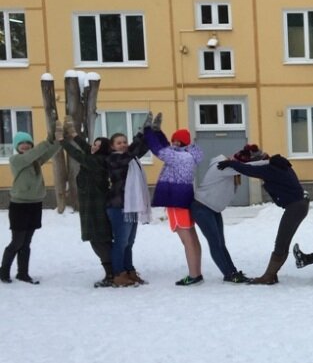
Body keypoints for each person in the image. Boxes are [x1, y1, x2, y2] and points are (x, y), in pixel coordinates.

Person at [217, 153, 309, 285]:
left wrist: (231, 164)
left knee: (281, 242)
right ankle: (272, 274)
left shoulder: (272, 169)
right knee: (284, 242)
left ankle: (268, 276)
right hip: (299, 205)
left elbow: (249, 170)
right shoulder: (282, 166)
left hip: (295, 207)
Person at [191, 144, 269, 284]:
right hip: (202, 208)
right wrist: (269, 161)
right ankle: (229, 274)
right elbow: (251, 168)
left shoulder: (229, 166)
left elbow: (249, 165)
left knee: (221, 243)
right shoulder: (223, 166)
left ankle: (231, 272)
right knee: (216, 243)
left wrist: (263, 158)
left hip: (213, 209)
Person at [143, 115, 205, 286]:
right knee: (192, 237)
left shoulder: (180, 157)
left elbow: (158, 149)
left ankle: (194, 275)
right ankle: (196, 272)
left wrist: (148, 130)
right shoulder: (188, 154)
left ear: (184, 143)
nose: (174, 144)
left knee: (187, 239)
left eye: (178, 141)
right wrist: (158, 131)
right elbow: (166, 147)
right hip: (183, 199)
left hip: (176, 200)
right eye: (174, 141)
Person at [1, 124, 63, 284]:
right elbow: (34, 153)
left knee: (26, 243)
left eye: (28, 143)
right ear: (17, 146)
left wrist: (60, 141)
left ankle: (23, 273)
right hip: (19, 206)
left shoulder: (35, 161)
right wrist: (47, 141)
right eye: (22, 144)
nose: (26, 146)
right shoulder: (16, 160)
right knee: (17, 241)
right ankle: (3, 272)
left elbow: (48, 152)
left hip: (35, 205)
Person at [60, 119, 114, 287]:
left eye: (98, 146)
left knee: (99, 241)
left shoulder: (97, 162)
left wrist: (62, 141)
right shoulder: (98, 157)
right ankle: (114, 271)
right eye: (94, 144)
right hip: (91, 207)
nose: (94, 147)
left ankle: (112, 274)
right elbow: (87, 148)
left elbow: (79, 155)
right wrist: (75, 135)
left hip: (96, 207)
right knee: (99, 240)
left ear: (103, 149)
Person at [104, 116, 153, 287]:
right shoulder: (114, 159)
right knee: (121, 242)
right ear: (112, 146)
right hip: (118, 207)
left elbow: (141, 149)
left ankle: (129, 270)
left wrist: (151, 132)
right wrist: (140, 133)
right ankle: (118, 274)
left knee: (129, 243)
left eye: (125, 141)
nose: (123, 144)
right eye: (119, 142)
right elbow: (133, 152)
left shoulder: (131, 159)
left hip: (131, 205)